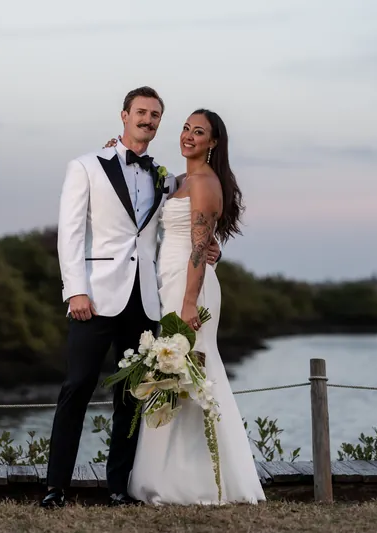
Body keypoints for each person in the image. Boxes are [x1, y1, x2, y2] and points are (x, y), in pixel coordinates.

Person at [41, 87, 222, 508]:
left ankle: (118, 487)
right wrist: (76, 290)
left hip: (146, 298)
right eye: (141, 112)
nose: (149, 120)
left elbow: (192, 225)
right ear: (124, 115)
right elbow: (68, 234)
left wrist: (214, 250)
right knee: (77, 388)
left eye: (156, 115)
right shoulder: (86, 166)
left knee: (133, 398)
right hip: (95, 296)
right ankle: (55, 487)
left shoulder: (164, 176)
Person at [126, 108, 266, 505]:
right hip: (169, 281)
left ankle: (198, 481)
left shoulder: (204, 182)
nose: (188, 135)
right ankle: (166, 473)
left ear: (213, 142)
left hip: (190, 290)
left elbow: (200, 247)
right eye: (186, 128)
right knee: (171, 373)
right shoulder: (182, 180)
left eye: (198, 131)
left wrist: (189, 302)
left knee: (192, 374)